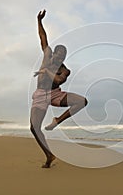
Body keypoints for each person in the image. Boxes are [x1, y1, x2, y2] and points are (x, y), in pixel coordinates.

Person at [30, 10, 88, 168]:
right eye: (59, 54)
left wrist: (46, 71)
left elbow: (58, 79)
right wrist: (39, 21)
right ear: (54, 53)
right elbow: (43, 37)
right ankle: (49, 155)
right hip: (41, 94)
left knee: (82, 101)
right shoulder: (47, 55)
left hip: (55, 94)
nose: (60, 57)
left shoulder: (65, 70)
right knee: (34, 128)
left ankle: (57, 121)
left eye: (63, 56)